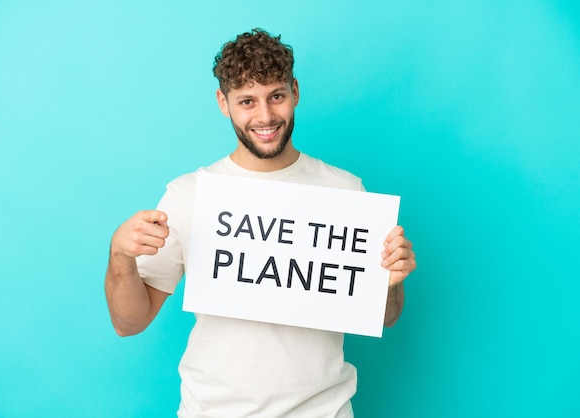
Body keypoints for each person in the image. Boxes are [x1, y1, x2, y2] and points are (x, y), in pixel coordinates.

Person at [105, 28, 416, 418]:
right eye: (247, 101)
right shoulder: (191, 195)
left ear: (295, 92)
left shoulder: (346, 191)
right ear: (224, 102)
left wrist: (391, 283)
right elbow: (128, 322)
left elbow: (386, 316)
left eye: (276, 96)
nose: (265, 116)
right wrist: (120, 255)